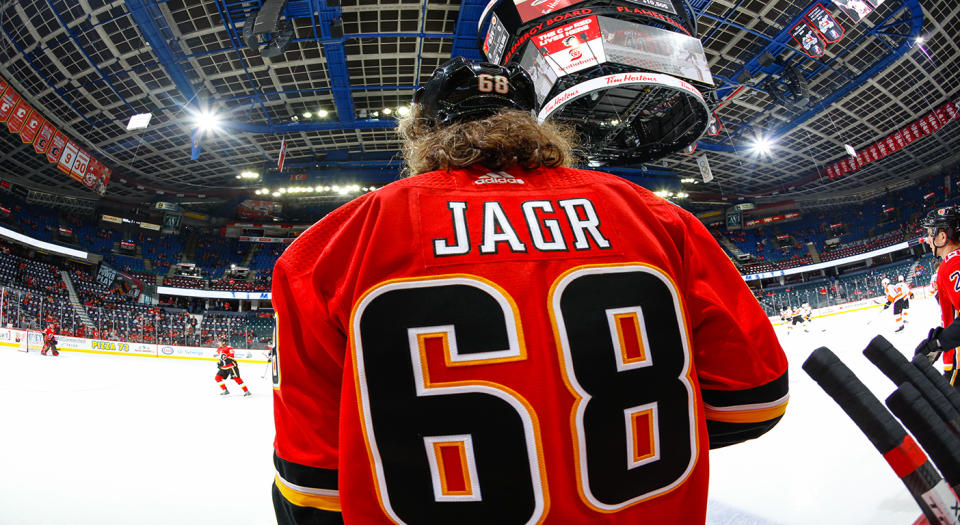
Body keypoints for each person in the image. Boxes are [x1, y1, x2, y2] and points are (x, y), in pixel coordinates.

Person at [270, 57, 789, 525]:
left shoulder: (329, 247)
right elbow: (756, 401)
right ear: (533, 124)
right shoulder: (658, 217)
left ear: (421, 133)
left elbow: (312, 486)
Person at [915, 206, 960, 387]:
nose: (927, 240)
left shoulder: (953, 264)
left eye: (930, 233)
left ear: (942, 236)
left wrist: (940, 343)